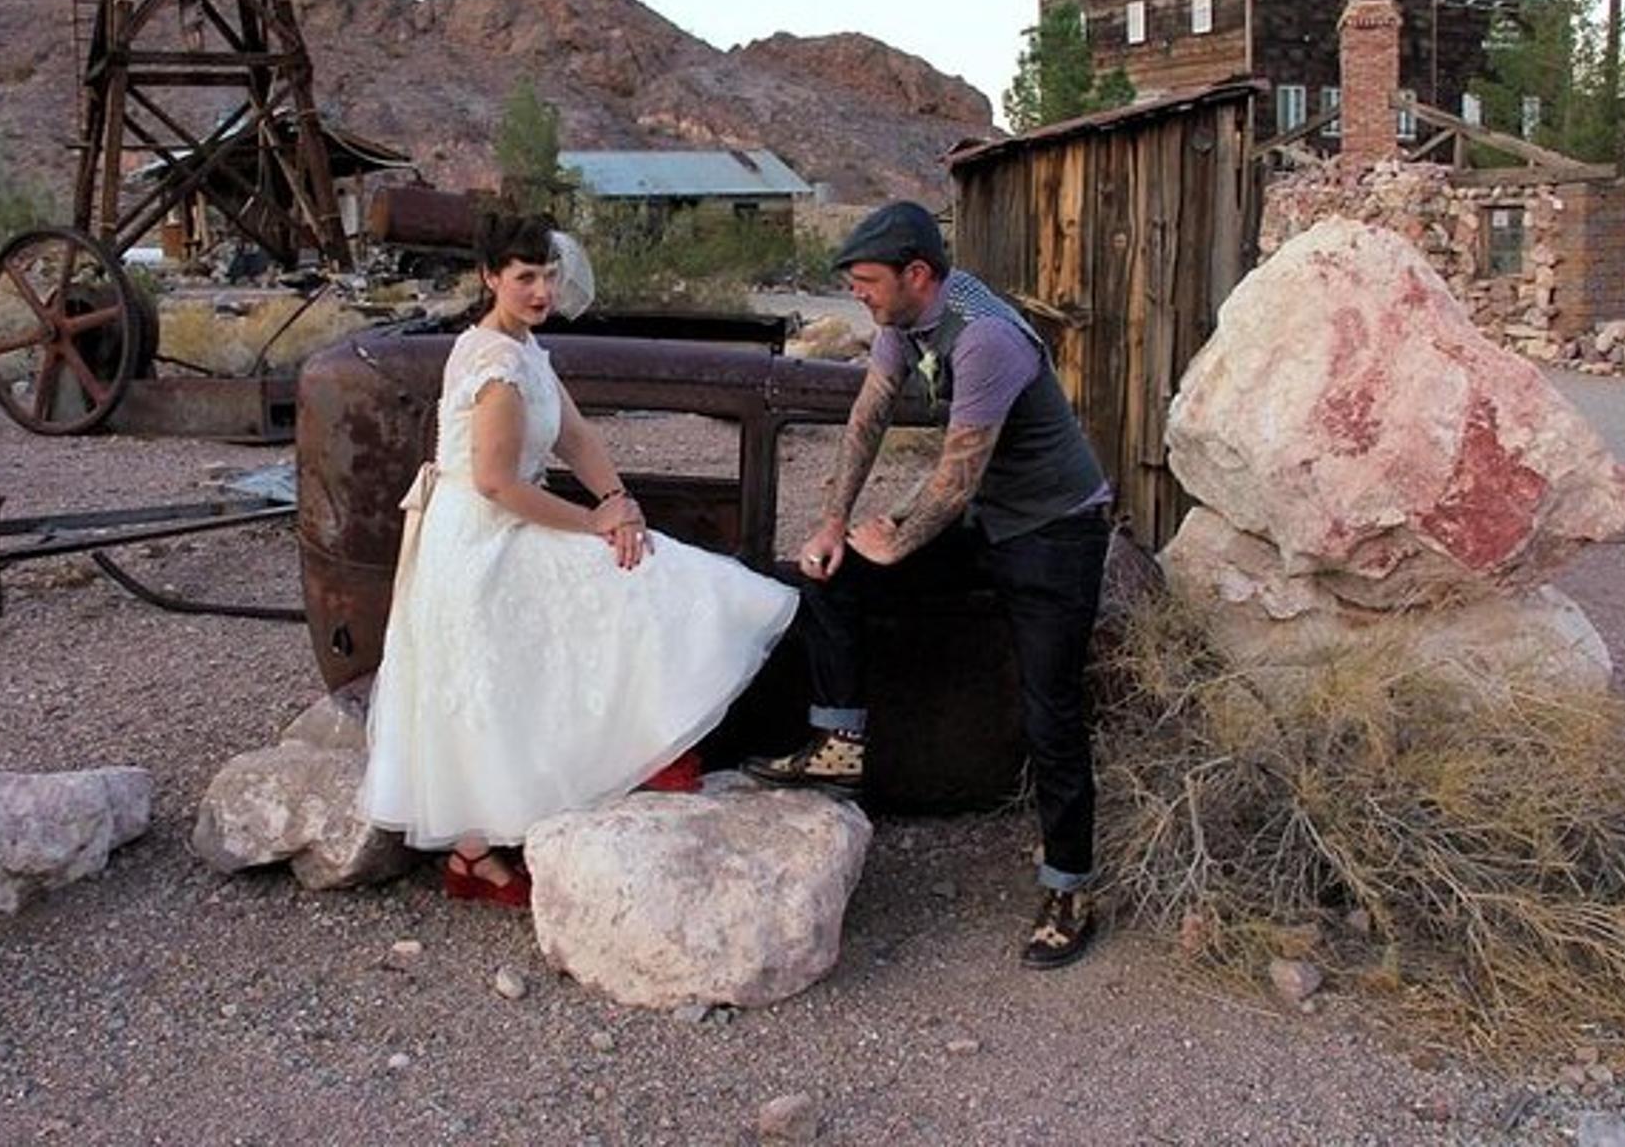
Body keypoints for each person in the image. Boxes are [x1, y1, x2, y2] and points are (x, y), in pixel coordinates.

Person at [359, 213, 798, 907]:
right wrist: (595, 522)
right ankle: (484, 846)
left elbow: (577, 436)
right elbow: (498, 483)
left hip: (509, 521)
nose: (540, 289)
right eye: (524, 276)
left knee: (648, 562)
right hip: (480, 538)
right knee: (625, 581)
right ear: (490, 278)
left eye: (549, 275)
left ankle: (636, 757)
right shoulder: (494, 363)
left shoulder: (529, 349)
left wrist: (620, 499)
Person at [744, 201, 1113, 970]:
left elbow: (952, 482)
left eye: (869, 282)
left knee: (1052, 707)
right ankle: (839, 738)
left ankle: (1069, 887)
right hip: (989, 516)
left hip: (1055, 532)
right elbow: (866, 419)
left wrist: (896, 537)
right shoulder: (903, 320)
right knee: (832, 574)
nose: (861, 297)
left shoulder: (986, 340)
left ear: (918, 275)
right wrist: (834, 524)